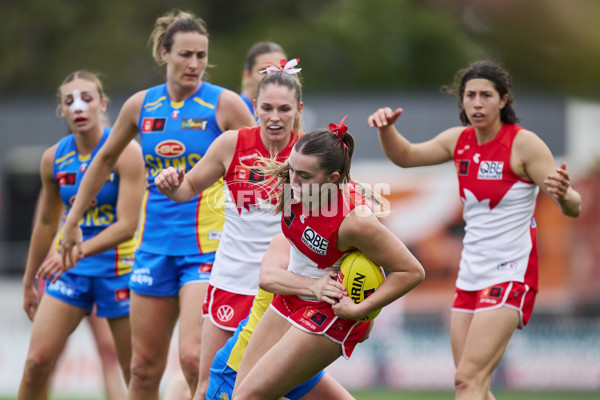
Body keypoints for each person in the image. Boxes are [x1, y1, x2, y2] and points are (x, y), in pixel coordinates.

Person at [58, 10, 256, 399]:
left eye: (202, 55)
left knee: (194, 360)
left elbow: (262, 163)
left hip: (206, 248)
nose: (195, 64)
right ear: (164, 53)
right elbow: (102, 159)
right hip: (152, 249)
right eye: (185, 54)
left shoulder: (226, 105)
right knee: (142, 368)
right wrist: (73, 219)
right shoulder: (141, 106)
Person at [367, 60, 582, 400]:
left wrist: (563, 193)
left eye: (486, 95)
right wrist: (385, 130)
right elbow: (406, 156)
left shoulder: (524, 144)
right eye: (470, 95)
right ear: (462, 102)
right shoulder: (459, 141)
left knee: (467, 379)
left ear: (503, 101)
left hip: (510, 274)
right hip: (471, 274)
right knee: (473, 385)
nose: (477, 103)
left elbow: (573, 207)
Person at [232, 119, 426, 400]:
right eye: (292, 169)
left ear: (332, 179)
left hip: (330, 312)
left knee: (248, 397)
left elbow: (411, 271)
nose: (293, 181)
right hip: (292, 297)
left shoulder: (355, 222)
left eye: (304, 175)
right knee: (243, 394)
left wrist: (362, 311)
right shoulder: (295, 187)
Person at [154, 59, 304, 399]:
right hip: (230, 280)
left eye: (284, 109)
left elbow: (330, 213)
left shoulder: (310, 152)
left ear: (298, 110)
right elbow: (187, 188)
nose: (275, 117)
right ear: (254, 107)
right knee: (209, 384)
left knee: (273, 389)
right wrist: (169, 185)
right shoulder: (231, 144)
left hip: (282, 284)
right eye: (266, 108)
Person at [19, 70, 144, 400]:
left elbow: (127, 225)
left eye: (87, 99)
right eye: (69, 101)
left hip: (119, 271)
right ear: (62, 111)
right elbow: (46, 224)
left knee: (138, 372)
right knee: (36, 362)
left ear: (102, 104)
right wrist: (29, 279)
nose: (79, 107)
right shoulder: (53, 158)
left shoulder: (127, 152)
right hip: (70, 271)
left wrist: (71, 253)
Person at [207, 233, 356, 400]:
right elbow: (267, 277)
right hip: (239, 368)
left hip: (291, 364)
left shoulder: (351, 255)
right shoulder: (288, 240)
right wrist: (315, 287)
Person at [240, 41, 287, 114]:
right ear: (247, 76)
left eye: (280, 70)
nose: (274, 77)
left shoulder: (289, 112)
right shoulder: (232, 111)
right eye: (265, 72)